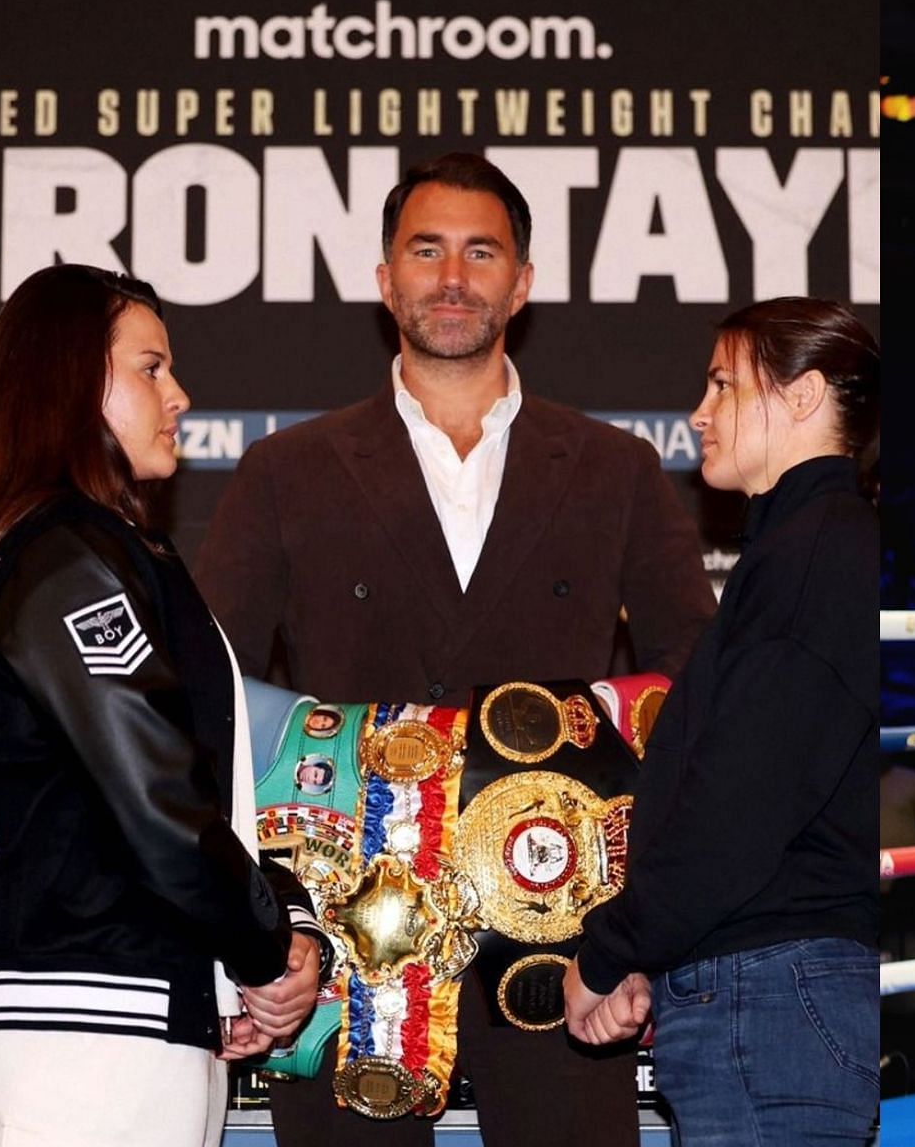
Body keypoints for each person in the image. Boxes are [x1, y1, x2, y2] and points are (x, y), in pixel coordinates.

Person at [193, 154, 715, 1147]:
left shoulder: (616, 469)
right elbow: (219, 709)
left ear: (522, 283)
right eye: (424, 250)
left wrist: (640, 919)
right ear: (384, 278)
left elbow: (689, 697)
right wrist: (276, 922)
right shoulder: (284, 473)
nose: (451, 277)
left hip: (562, 945)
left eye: (482, 253)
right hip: (351, 954)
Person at [0, 264, 324, 1147]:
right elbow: (155, 801)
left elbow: (192, 801)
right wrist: (260, 955)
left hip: (134, 1002)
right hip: (93, 1018)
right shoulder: (64, 559)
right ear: (72, 380)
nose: (178, 394)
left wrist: (253, 949)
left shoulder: (90, 552)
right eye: (150, 367)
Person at [564, 298, 881, 1146]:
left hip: (770, 997)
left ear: (805, 395)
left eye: (722, 386)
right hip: (764, 991)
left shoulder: (816, 554)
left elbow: (740, 801)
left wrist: (608, 950)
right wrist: (644, 950)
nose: (698, 414)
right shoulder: (802, 549)